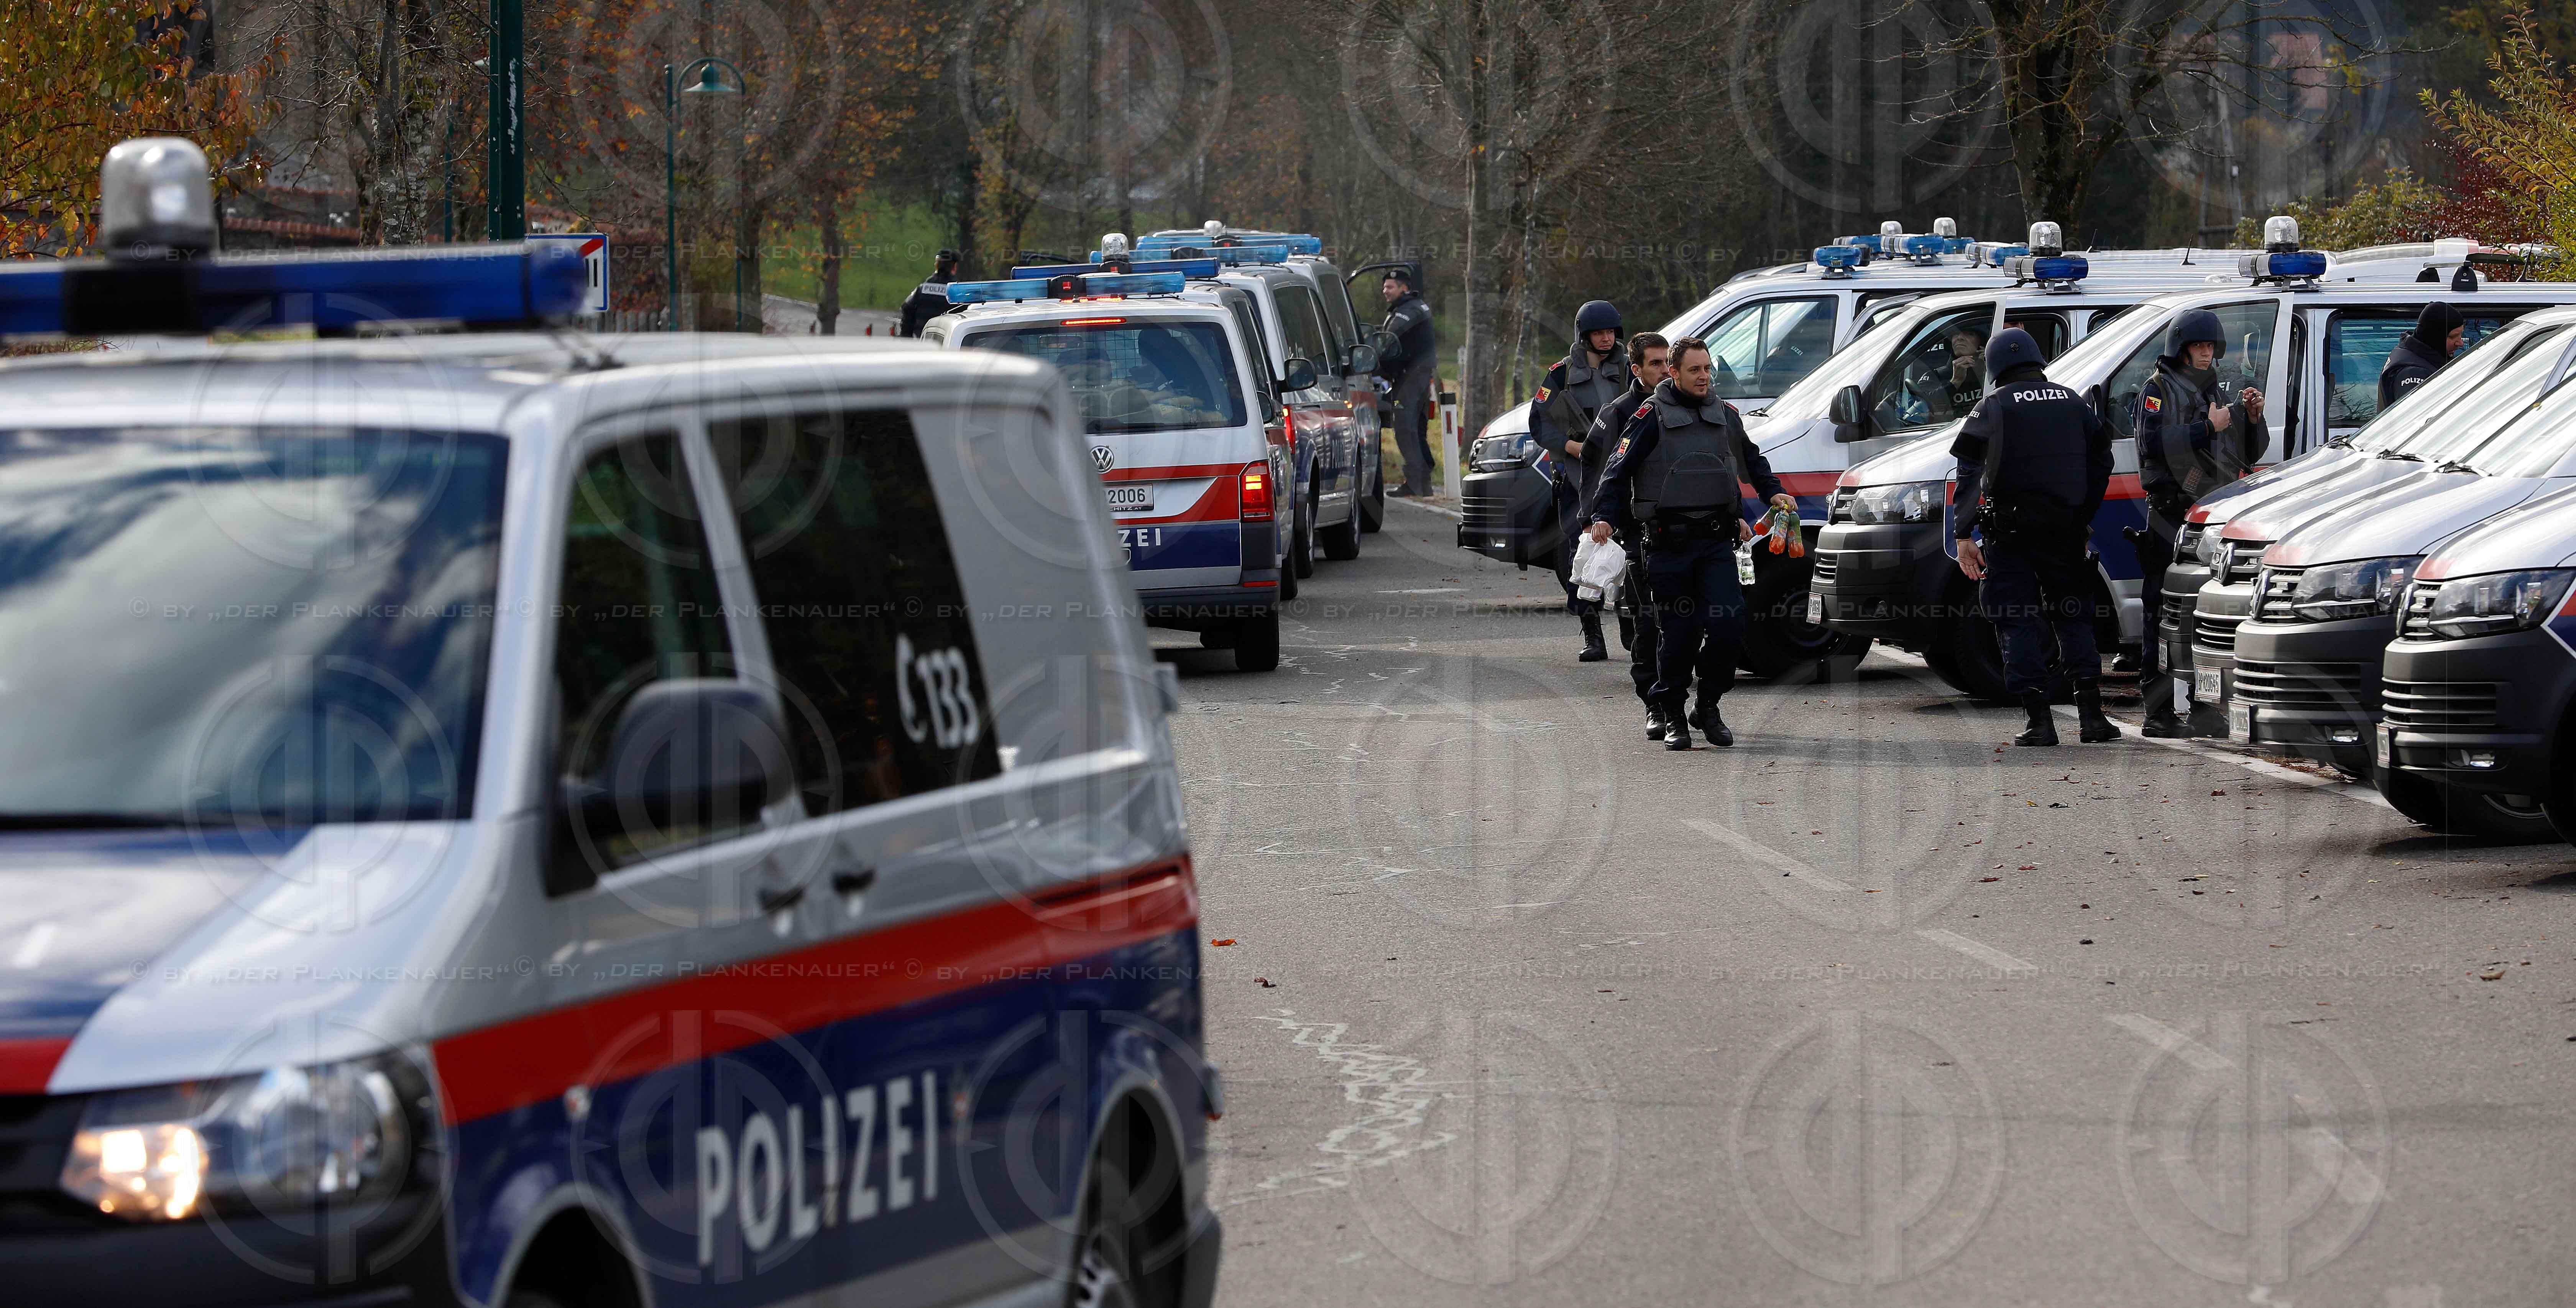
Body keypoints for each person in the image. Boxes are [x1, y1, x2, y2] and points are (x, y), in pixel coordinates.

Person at [1588, 337, 1795, 751]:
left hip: (1716, 544)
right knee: (1677, 634)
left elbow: (1753, 460)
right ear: (1674, 373)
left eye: (1707, 370)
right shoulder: (1651, 415)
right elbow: (1617, 468)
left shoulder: (1726, 414)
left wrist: (1772, 491)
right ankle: (1674, 715)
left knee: (1730, 625)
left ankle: (1709, 705)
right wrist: (1604, 516)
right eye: (1695, 370)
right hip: (1668, 545)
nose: (1704, 377)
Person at [1952, 327, 2118, 747]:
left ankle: (2039, 722)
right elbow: (2103, 460)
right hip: (2066, 531)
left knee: (2015, 620)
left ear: (1996, 367)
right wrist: (2083, 517)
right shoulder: (2073, 400)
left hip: (2011, 534)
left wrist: (1963, 532)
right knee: (2074, 616)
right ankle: (2093, 718)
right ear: (2038, 361)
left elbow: (1970, 471)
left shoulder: (1992, 406)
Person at [2134, 308, 2267, 736]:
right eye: (2199, 346)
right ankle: (2158, 713)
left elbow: (2244, 452)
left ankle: (2206, 708)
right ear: (2182, 349)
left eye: (2211, 346)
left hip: (2211, 516)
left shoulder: (2214, 389)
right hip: (2171, 512)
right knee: (2162, 616)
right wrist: (2203, 428)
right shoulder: (2157, 390)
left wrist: (2251, 418)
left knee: (2205, 618)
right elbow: (2152, 443)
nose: (2207, 353)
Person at [1581, 332, 1674, 735]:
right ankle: (1655, 704)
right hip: (1636, 532)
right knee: (1648, 623)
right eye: (1655, 363)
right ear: (1636, 370)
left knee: (1686, 624)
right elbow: (1599, 467)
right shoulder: (1621, 412)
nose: (1664, 370)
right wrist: (1598, 518)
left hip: (1681, 531)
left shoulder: (1685, 405)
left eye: (1668, 361)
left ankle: (1687, 702)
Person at [1531, 300, 1630, 661]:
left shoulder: (1629, 370)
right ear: (1583, 336)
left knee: (1632, 552)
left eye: (1610, 333)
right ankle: (1592, 635)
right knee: (1581, 556)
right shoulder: (1561, 374)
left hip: (1622, 471)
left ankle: (1631, 624)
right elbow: (1539, 423)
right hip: (1576, 477)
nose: (1606, 339)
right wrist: (1572, 447)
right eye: (1598, 334)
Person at [1376, 269, 1440, 496]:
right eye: (1384, 287)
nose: (1385, 291)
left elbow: (1389, 340)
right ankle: (1423, 483)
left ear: (1403, 288)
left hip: (1411, 378)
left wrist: (1375, 359)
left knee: (1406, 429)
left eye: (1390, 287)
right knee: (1416, 429)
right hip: (1417, 376)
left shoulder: (1408, 311)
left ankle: (1416, 482)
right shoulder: (1414, 306)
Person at [2380, 301, 2465, 409]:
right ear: (2435, 337)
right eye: (2453, 336)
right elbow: (2417, 422)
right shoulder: (2414, 373)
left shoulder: (2417, 357)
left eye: (2460, 334)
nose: (2460, 343)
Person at [897, 249, 962, 337]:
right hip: (947, 343)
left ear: (937, 265)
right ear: (954, 267)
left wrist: (907, 336)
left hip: (921, 341)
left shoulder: (923, 288)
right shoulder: (957, 292)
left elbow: (907, 308)